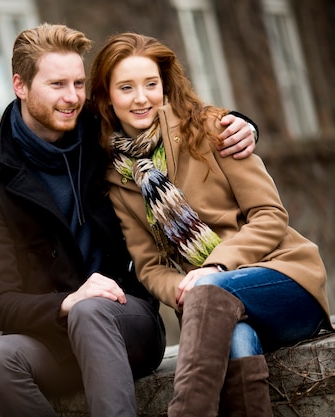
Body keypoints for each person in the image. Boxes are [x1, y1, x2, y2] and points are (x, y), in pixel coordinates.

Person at [0, 24, 258, 417]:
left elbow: (175, 118)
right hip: (55, 342)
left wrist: (241, 123)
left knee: (92, 311)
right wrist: (68, 302)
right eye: (57, 85)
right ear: (20, 85)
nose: (72, 98)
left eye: (78, 83)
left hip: (129, 324)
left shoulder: (101, 129)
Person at [89, 32, 332, 417]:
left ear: (165, 87)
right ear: (106, 96)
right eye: (126, 87)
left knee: (211, 292)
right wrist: (185, 290)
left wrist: (214, 268)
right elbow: (150, 267)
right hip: (211, 310)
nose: (141, 98)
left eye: (151, 84)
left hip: (283, 282)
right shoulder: (117, 178)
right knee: (236, 340)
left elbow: (270, 216)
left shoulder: (212, 128)